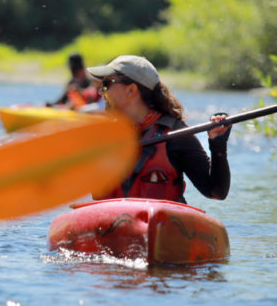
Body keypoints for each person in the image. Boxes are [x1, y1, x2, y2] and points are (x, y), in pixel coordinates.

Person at [88, 55, 231, 203]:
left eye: (106, 84)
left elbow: (216, 192)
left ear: (131, 90)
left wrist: (218, 144)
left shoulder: (176, 136)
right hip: (109, 222)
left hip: (159, 223)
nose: (100, 93)